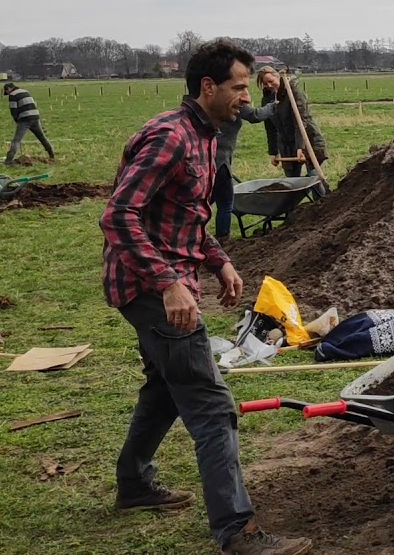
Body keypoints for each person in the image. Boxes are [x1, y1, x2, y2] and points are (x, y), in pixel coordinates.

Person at [100, 38, 312, 555]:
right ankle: (237, 532)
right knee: (212, 404)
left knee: (165, 385)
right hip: (151, 287)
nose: (247, 96)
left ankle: (134, 483)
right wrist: (168, 282)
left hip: (171, 279)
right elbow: (119, 215)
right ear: (208, 86)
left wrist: (218, 259)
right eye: (239, 87)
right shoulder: (171, 137)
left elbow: (185, 216)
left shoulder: (208, 137)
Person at [257, 67, 329, 197]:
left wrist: (300, 147)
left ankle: (322, 207)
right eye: (265, 84)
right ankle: (292, 213)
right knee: (291, 184)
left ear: (277, 76)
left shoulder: (294, 92)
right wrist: (273, 152)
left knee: (313, 179)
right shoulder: (267, 100)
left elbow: (300, 121)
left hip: (308, 139)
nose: (269, 85)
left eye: (270, 81)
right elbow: (270, 128)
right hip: (286, 144)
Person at [212, 98, 276, 239]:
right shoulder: (233, 99)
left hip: (206, 157)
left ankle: (188, 234)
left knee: (204, 201)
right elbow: (256, 115)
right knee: (225, 203)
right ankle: (222, 239)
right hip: (220, 160)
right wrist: (272, 106)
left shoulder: (211, 100)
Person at [4, 82, 55, 165]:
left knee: (16, 140)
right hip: (35, 117)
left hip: (25, 119)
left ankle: (8, 161)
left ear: (9, 89)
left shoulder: (12, 95)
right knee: (42, 137)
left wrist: (17, 120)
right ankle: (52, 155)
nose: (8, 93)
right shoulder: (26, 91)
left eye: (7, 91)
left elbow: (13, 110)